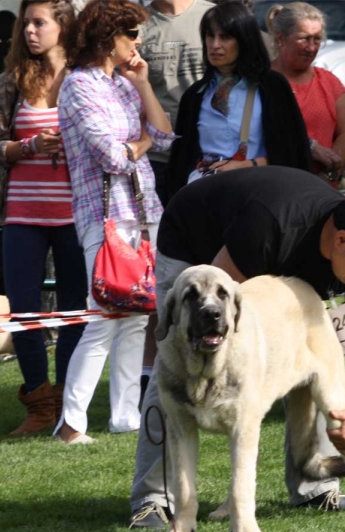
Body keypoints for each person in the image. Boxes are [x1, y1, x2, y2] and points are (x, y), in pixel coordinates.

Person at [129, 165, 345, 529]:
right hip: (199, 249)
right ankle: (154, 499)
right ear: (341, 240)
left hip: (281, 264)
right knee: (179, 359)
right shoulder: (270, 222)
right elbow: (218, 309)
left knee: (317, 364)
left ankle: (314, 486)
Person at [54, 0, 175, 444]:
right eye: (132, 34)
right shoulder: (78, 86)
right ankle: (71, 423)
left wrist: (143, 85)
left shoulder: (124, 83)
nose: (138, 42)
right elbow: (112, 156)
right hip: (103, 217)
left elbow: (163, 135)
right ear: (110, 39)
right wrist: (140, 141)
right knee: (104, 317)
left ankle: (125, 415)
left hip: (144, 215)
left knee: (138, 317)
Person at [0, 0, 87, 436]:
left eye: (39, 23)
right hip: (21, 214)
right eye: (26, 23)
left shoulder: (87, 80)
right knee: (23, 311)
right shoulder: (9, 83)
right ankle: (39, 404)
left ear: (63, 26)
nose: (29, 31)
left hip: (77, 216)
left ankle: (66, 403)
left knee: (74, 313)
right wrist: (27, 148)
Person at [137, 0, 214, 392]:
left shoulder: (210, 17)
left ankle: (209, 358)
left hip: (204, 161)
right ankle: (153, 371)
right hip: (151, 160)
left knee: (205, 268)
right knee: (156, 270)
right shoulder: (139, 21)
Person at [166, 0, 312, 198]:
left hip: (261, 195)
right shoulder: (195, 96)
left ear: (244, 39)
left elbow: (294, 154)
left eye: (225, 37)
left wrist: (247, 165)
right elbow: (180, 164)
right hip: (206, 199)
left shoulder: (272, 86)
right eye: (210, 36)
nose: (215, 45)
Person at [268, 2, 345, 184]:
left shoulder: (329, 82)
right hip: (275, 186)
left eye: (317, 39)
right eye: (303, 38)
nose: (311, 47)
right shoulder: (262, 82)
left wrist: (327, 177)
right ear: (280, 38)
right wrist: (307, 146)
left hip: (322, 192)